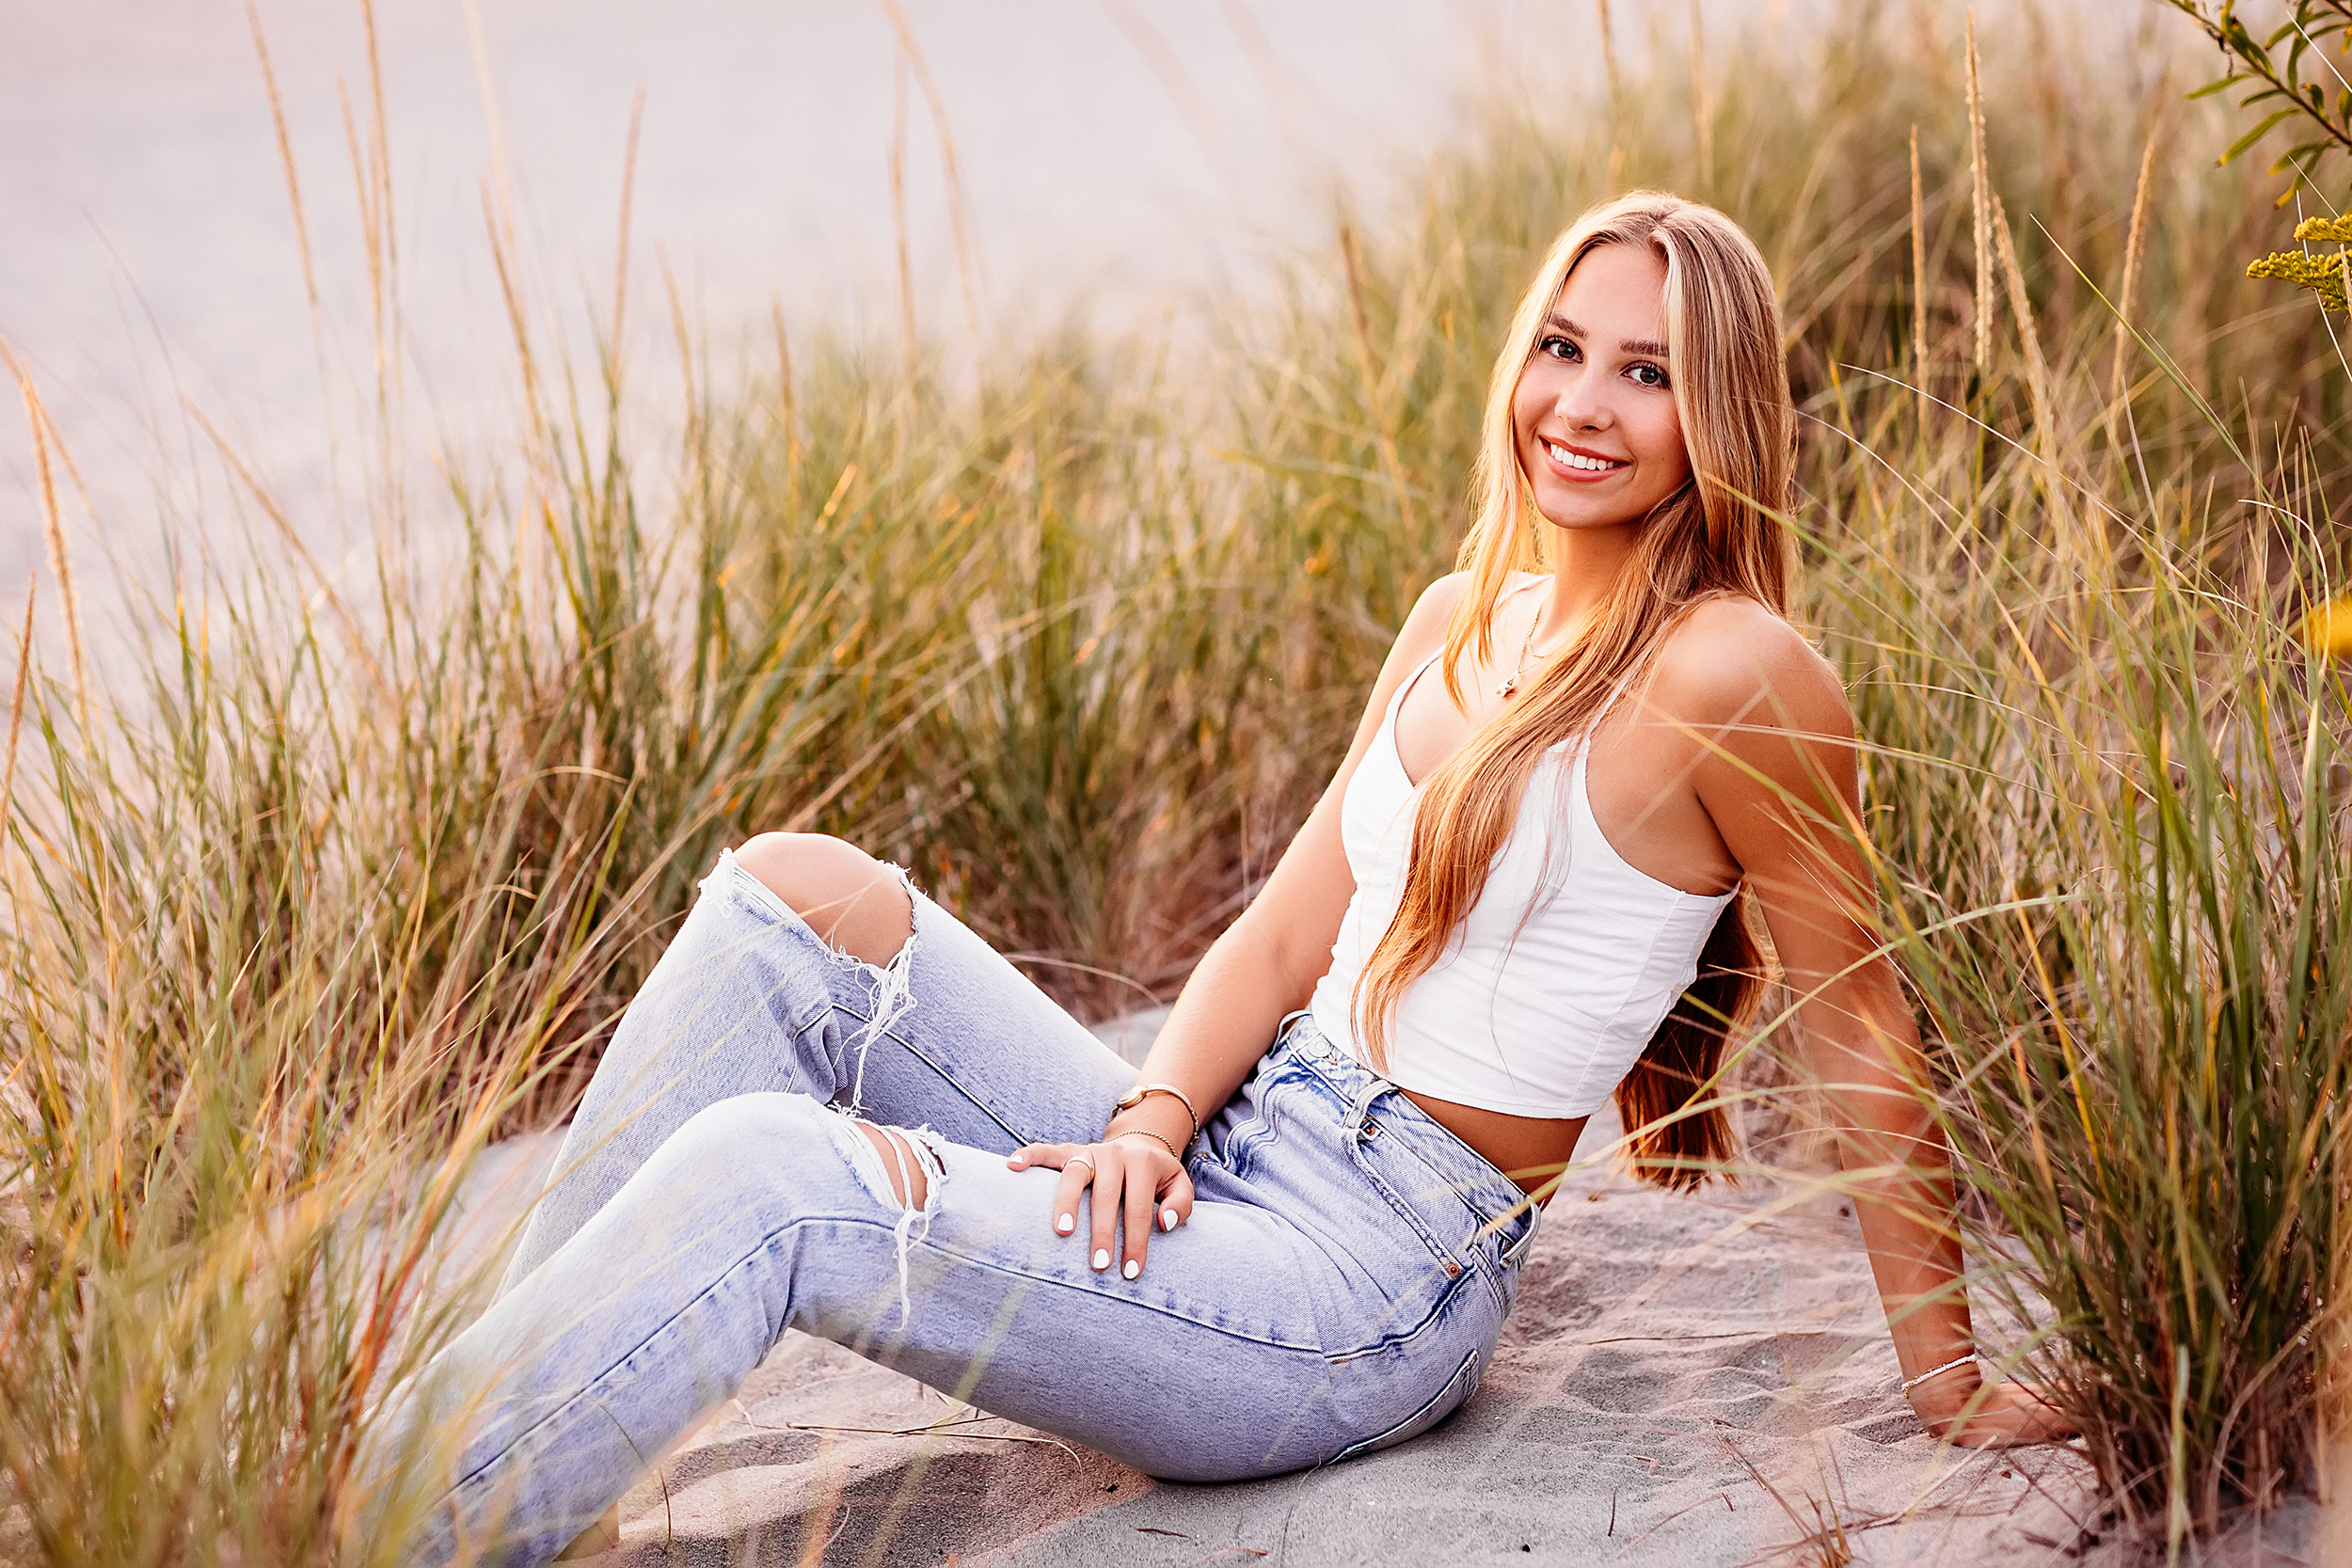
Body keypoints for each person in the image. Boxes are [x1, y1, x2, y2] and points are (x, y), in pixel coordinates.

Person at [367, 191, 2071, 1566]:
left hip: (1367, 1282)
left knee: (771, 1178)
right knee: (789, 901)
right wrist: (1149, 1122)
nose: (1585, 404)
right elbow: (1275, 938)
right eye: (1564, 348)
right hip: (1247, 1138)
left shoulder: (1741, 672)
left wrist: (1945, 1388)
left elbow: (1862, 1026)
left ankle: (371, 1537)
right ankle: (458, 1438)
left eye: (1649, 371)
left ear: (1724, 411)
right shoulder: (1461, 616)